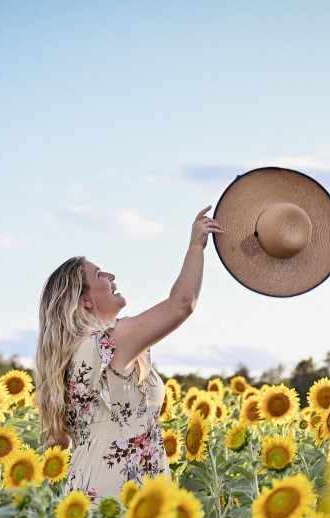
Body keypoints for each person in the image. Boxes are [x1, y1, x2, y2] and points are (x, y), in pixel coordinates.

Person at [34, 205, 224, 500]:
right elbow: (181, 305)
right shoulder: (108, 342)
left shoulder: (67, 357)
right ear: (84, 300)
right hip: (124, 496)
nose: (110, 275)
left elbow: (56, 444)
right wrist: (196, 246)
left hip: (85, 491)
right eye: (99, 274)